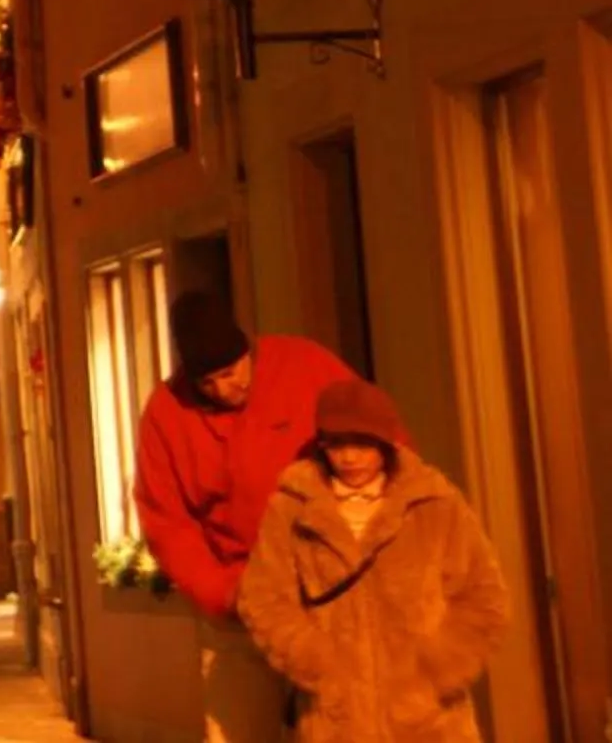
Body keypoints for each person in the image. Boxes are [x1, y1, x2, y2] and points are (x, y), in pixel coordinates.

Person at [134, 288, 365, 743]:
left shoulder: (305, 367)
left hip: (326, 597)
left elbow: (376, 443)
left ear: (248, 350)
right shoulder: (165, 413)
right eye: (207, 383)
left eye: (230, 372)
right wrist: (223, 594)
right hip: (239, 607)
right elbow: (167, 521)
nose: (223, 389)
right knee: (235, 729)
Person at [238, 377, 507, 740]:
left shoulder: (434, 503)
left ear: (384, 441)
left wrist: (437, 669)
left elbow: (483, 595)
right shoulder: (292, 507)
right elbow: (263, 598)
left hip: (429, 721)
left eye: (362, 443)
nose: (349, 457)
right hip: (336, 720)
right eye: (336, 444)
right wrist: (316, 664)